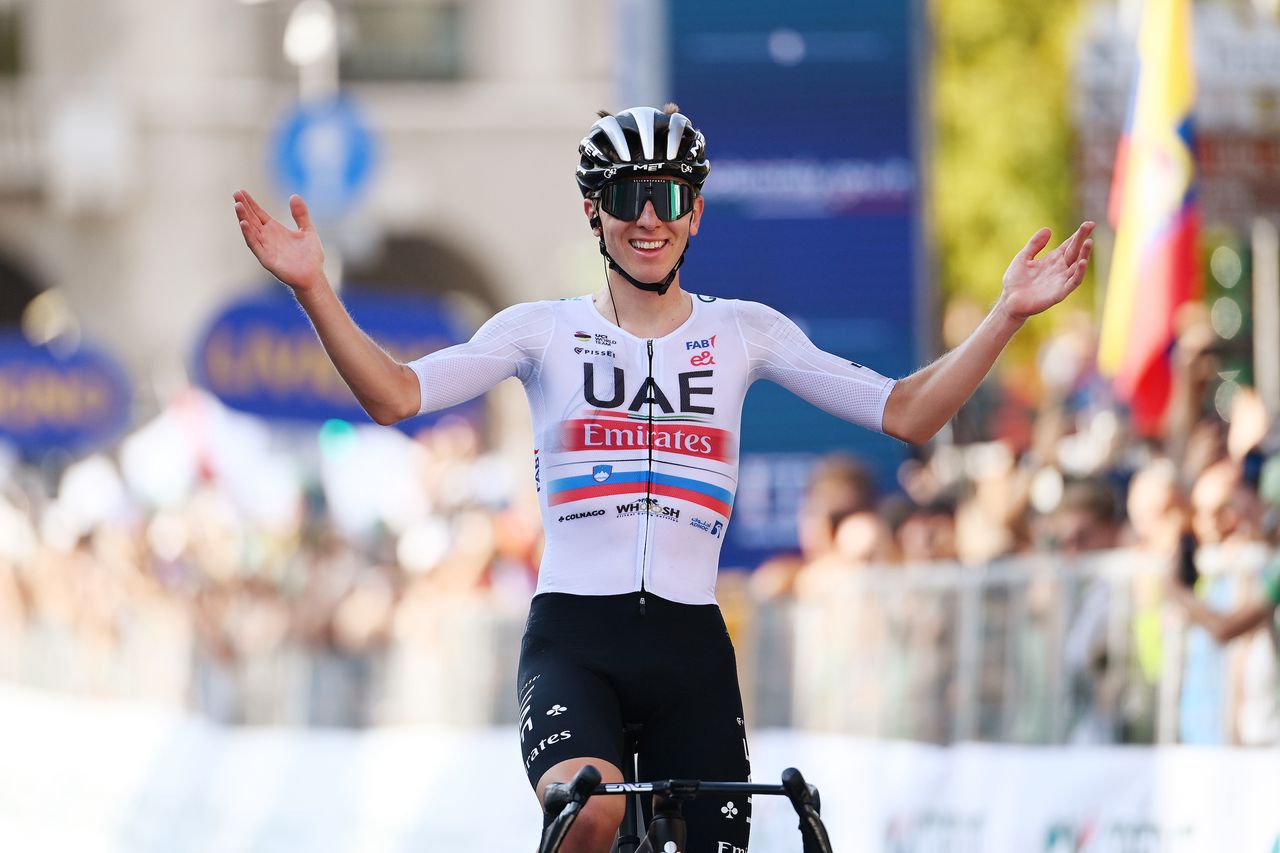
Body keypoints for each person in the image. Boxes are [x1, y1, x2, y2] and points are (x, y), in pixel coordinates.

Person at [234, 103, 1094, 853]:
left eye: (669, 197)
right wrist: (315, 287)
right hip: (575, 638)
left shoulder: (743, 332)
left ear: (695, 215)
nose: (648, 217)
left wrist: (1006, 314)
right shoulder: (541, 332)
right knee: (593, 814)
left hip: (690, 646)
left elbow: (908, 412)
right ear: (592, 211)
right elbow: (395, 395)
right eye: (624, 197)